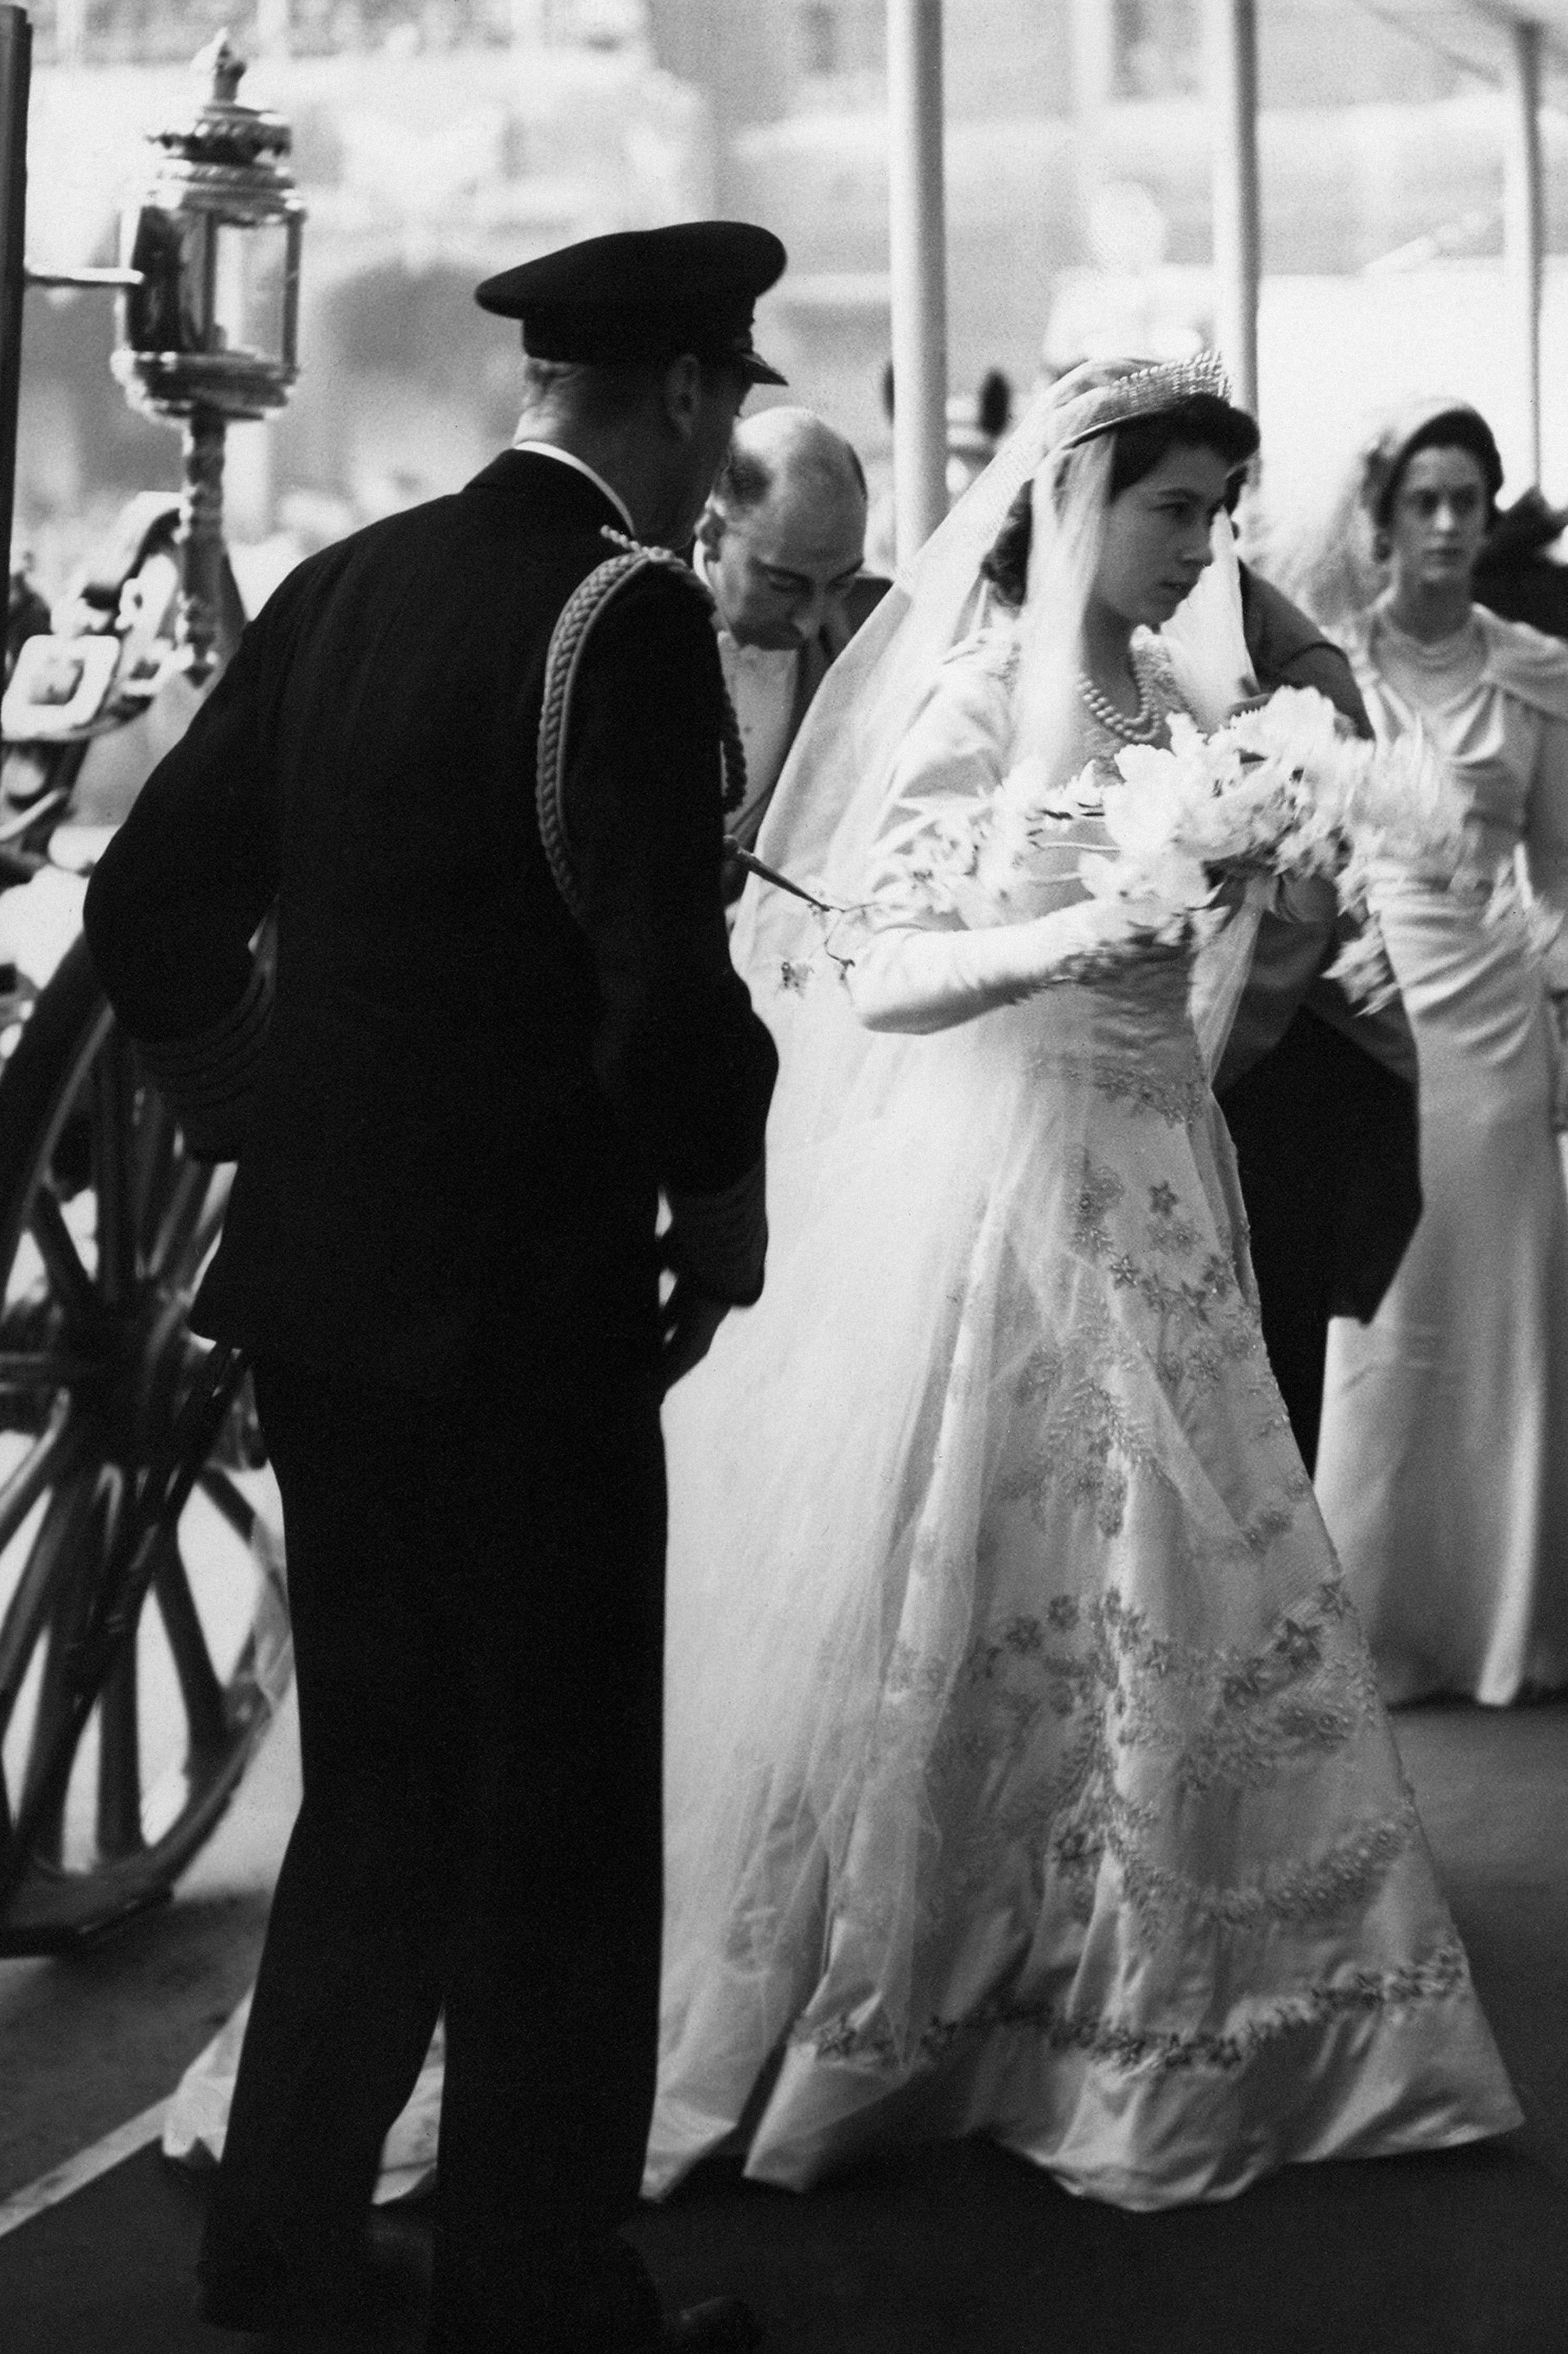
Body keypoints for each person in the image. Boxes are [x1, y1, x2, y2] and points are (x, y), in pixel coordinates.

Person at [645, 356, 1520, 2210]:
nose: (1195, 549)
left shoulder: (1176, 700)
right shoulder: (976, 696)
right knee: (1008, 1567)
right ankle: (963, 1980)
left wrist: (1255, 894)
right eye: (1166, 509)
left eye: (1215, 513)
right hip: (1011, 1180)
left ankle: (1165, 1981)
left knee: (1183, 1575)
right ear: (1066, 504)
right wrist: (1079, 922)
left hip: (1152, 1168)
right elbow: (873, 964)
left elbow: (1207, 973)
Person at [82, 221, 783, 2354]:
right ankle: (535, 2285)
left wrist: (250, 1112)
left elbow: (147, 894)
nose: (724, 455)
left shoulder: (345, 583)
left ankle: (279, 2247)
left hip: (322, 1299)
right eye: (727, 408)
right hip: (531, 1315)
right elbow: (667, 993)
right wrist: (723, 1191)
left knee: (379, 1783)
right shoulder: (625, 613)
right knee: (555, 1807)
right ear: (673, 395)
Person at [1310, 400, 1568, 1704]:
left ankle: (1504, 1620)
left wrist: (1557, 994)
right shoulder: (1327, 668)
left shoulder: (1531, 671)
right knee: (1389, 1315)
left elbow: (1559, 870)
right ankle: (1375, 1618)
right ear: (1387, 517)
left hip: (1501, 1028)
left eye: (1469, 500)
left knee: (1501, 1317)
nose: (1451, 524)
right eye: (1427, 500)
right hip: (1373, 1011)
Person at [1215, 560, 1424, 1471]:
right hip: (1147, 1065)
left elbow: (1317, 881)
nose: (1195, 542)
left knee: (1265, 1389)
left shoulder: (1286, 651)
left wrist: (1180, 1055)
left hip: (1272, 1074)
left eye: (1210, 512)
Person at [692, 406, 884, 883]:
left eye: (840, 582)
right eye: (784, 583)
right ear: (712, 534)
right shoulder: (622, 625)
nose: (810, 621)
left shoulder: (875, 630)